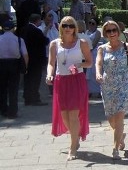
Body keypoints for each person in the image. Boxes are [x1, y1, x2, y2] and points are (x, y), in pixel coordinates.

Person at [96, 20, 128, 160]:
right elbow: (98, 63)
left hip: (124, 84)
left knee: (119, 116)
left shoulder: (127, 47)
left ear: (118, 31)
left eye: (114, 30)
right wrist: (98, 73)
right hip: (107, 85)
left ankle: (115, 149)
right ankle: (121, 136)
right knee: (112, 119)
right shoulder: (102, 49)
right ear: (105, 33)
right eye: (108, 31)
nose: (112, 33)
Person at [47, 15, 93, 160]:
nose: (68, 28)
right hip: (61, 81)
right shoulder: (54, 44)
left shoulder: (82, 42)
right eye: (65, 25)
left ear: (75, 28)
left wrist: (79, 65)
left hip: (76, 80)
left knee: (73, 114)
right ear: (60, 27)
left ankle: (73, 147)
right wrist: (49, 75)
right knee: (64, 115)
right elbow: (51, 63)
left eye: (71, 26)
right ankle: (75, 136)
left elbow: (89, 62)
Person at [19, 14, 49, 106]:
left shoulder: (23, 29)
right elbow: (45, 41)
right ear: (37, 20)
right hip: (36, 59)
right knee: (35, 79)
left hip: (25, 56)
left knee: (27, 78)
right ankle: (34, 98)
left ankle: (27, 97)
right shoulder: (36, 31)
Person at [0, 18, 27, 119]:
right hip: (14, 65)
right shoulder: (19, 40)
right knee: (13, 89)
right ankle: (13, 111)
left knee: (2, 88)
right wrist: (25, 67)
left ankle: (3, 109)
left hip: (1, 65)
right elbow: (25, 55)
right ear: (13, 29)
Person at [84, 19, 102, 99]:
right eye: (89, 23)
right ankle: (89, 91)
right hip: (87, 53)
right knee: (88, 74)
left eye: (93, 23)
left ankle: (99, 91)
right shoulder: (86, 32)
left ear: (96, 24)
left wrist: (87, 50)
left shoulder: (98, 33)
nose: (91, 24)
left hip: (94, 53)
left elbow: (94, 43)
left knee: (95, 72)